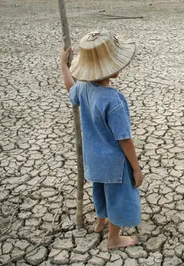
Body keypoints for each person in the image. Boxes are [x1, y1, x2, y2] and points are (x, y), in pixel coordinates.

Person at [60, 30, 143, 249]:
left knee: (100, 191)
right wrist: (136, 168)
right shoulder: (113, 100)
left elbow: (71, 88)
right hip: (114, 163)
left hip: (93, 158)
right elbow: (125, 139)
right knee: (117, 198)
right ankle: (113, 239)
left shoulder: (84, 89)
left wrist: (63, 65)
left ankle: (100, 221)